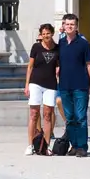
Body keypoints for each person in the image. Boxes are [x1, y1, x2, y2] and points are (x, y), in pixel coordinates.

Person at [53, 13, 90, 156]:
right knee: (69, 118)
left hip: (80, 85)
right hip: (64, 86)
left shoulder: (83, 43)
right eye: (67, 24)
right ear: (63, 26)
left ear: (76, 27)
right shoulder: (61, 44)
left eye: (72, 25)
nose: (69, 27)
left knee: (80, 117)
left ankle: (82, 146)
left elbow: (89, 65)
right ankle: (74, 145)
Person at [25, 23, 59, 156]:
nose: (46, 36)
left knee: (47, 115)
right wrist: (27, 84)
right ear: (41, 35)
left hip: (51, 84)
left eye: (48, 33)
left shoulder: (57, 48)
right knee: (34, 114)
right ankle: (30, 145)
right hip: (35, 83)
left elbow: (59, 65)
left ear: (52, 34)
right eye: (43, 34)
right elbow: (30, 66)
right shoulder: (36, 47)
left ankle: (46, 146)